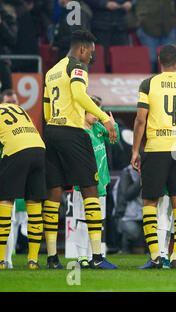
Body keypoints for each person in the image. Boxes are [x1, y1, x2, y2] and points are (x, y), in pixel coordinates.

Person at [42, 29, 118, 269]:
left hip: (51, 130)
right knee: (90, 189)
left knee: (54, 192)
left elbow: (45, 108)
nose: (91, 59)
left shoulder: (52, 71)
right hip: (72, 133)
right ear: (83, 49)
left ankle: (53, 257)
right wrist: (104, 117)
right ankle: (96, 256)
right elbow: (78, 94)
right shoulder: (77, 66)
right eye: (91, 54)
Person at [131, 44, 176, 269]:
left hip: (155, 147)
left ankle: (155, 257)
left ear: (159, 60)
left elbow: (141, 119)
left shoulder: (148, 84)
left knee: (150, 200)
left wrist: (135, 150)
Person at [71, 95, 119, 269]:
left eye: (99, 110)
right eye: (93, 111)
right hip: (82, 184)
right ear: (83, 111)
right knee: (82, 221)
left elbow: (115, 140)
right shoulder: (78, 131)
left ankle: (95, 256)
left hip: (101, 183)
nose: (97, 114)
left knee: (97, 221)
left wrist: (113, 126)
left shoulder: (99, 127)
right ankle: (81, 257)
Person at [0, 100, 46, 269]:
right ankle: (33, 260)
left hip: (16, 150)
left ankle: (1, 261)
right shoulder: (18, 108)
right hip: (39, 149)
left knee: (5, 200)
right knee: (34, 204)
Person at [135, 0, 176, 72]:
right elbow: (133, 5)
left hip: (168, 27)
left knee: (170, 60)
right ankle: (150, 82)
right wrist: (139, 21)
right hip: (147, 28)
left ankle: (168, 82)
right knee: (151, 60)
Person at [89, 0, 132, 69]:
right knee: (100, 56)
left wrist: (130, 3)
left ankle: (121, 74)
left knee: (120, 55)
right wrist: (104, 4)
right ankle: (99, 74)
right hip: (100, 24)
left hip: (120, 25)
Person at [115, 164, 145, 254]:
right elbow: (127, 195)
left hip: (149, 211)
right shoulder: (128, 172)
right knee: (133, 231)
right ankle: (124, 250)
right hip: (127, 214)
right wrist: (141, 179)